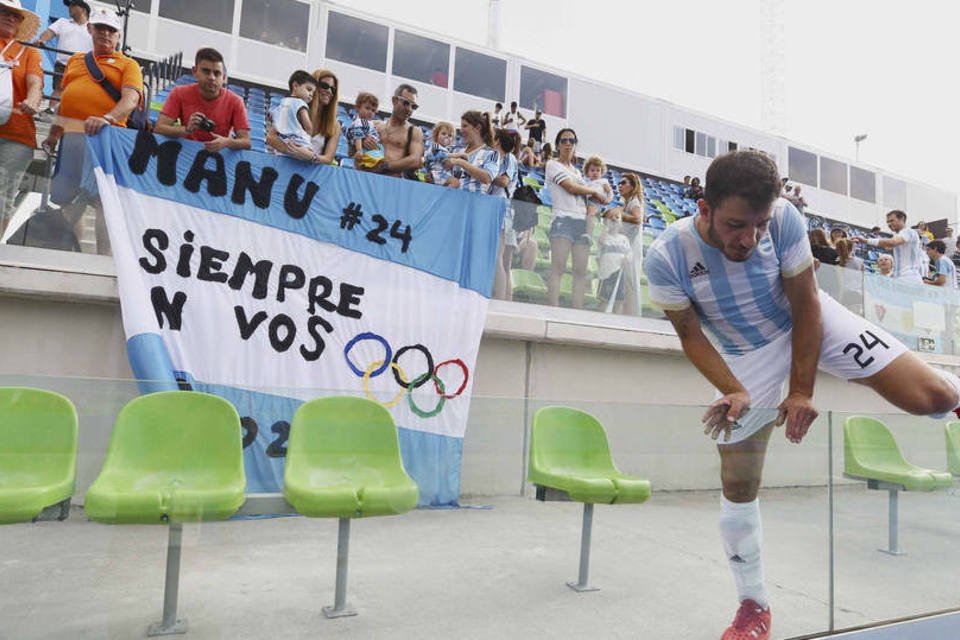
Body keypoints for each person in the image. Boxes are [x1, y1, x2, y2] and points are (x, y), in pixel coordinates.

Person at [643, 150, 960, 640]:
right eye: (734, 225)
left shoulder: (786, 218)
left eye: (759, 226)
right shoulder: (665, 256)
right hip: (744, 355)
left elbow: (806, 303)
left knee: (935, 396)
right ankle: (754, 607)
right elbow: (690, 335)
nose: (748, 239)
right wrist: (733, 388)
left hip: (810, 320)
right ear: (703, 210)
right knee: (738, 482)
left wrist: (802, 390)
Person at [43, 7, 142, 255]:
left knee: (103, 204)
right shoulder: (76, 60)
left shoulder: (129, 65)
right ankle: (69, 252)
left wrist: (107, 118)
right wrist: (53, 135)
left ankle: (103, 260)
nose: (105, 34)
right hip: (72, 138)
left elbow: (130, 100)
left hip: (105, 141)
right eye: (100, 28)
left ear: (118, 35)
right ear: (90, 29)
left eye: (111, 30)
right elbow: (66, 100)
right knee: (65, 199)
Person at [544, 128, 606, 308]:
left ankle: (576, 312)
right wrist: (594, 191)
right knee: (558, 267)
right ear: (558, 144)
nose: (568, 143)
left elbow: (586, 196)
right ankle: (553, 310)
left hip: (580, 222)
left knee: (580, 272)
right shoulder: (552, 164)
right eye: (564, 140)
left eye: (572, 140)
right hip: (563, 219)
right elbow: (570, 187)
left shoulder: (578, 172)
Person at [153, 47, 250, 151]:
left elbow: (246, 142)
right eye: (206, 71)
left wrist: (227, 142)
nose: (212, 77)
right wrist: (186, 130)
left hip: (218, 156)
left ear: (224, 77)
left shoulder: (235, 101)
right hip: (185, 153)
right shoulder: (179, 93)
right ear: (195, 71)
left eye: (217, 73)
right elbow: (159, 128)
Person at [0, 0, 42, 236]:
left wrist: (33, 101)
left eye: (15, 16)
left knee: (2, 195)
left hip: (16, 135)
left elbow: (35, 83)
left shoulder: (29, 53)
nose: (10, 18)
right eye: (4, 12)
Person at [267, 68, 341, 165]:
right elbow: (271, 138)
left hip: (308, 175)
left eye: (333, 89)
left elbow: (328, 159)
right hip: (283, 166)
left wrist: (310, 156)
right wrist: (293, 151)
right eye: (325, 86)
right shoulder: (293, 107)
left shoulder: (334, 125)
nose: (329, 91)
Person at [35, 0, 90, 112]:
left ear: (83, 9)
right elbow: (49, 33)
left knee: (79, 93)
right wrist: (42, 40)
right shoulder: (62, 22)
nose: (69, 8)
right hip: (63, 63)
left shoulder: (93, 27)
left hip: (84, 66)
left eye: (72, 5)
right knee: (59, 87)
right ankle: (51, 111)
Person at [853, 210, 927, 283]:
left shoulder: (908, 231)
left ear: (902, 219)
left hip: (909, 278)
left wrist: (866, 240)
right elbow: (887, 246)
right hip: (902, 278)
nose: (889, 224)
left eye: (892, 221)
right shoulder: (899, 235)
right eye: (888, 222)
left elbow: (892, 242)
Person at [490, 128, 520, 301]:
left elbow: (504, 181)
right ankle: (505, 300)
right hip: (500, 208)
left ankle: (500, 301)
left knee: (498, 258)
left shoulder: (509, 158)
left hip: (502, 208)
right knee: (503, 262)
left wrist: (483, 174)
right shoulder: (500, 158)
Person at [370, 83, 424, 178]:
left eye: (414, 107)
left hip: (393, 183)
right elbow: (352, 151)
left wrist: (385, 167)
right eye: (406, 103)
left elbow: (416, 160)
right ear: (394, 100)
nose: (409, 109)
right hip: (367, 179)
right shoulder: (375, 125)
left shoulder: (414, 131)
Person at [444, 109, 497, 193]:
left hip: (474, 203)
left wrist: (460, 162)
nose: (461, 130)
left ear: (477, 128)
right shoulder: (456, 149)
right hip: (453, 200)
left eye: (465, 126)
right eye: (461, 126)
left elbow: (487, 178)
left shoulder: (491, 153)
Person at [596, 208, 637, 315]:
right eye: (610, 217)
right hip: (606, 273)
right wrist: (607, 227)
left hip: (619, 272)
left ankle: (616, 320)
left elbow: (629, 253)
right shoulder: (605, 236)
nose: (613, 219)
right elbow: (601, 241)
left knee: (619, 301)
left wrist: (627, 258)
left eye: (617, 217)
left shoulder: (623, 239)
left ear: (621, 223)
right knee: (604, 300)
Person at [267, 69, 316, 155]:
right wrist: (310, 132)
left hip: (283, 142)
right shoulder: (300, 103)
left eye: (313, 92)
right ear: (295, 85)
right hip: (300, 143)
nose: (311, 94)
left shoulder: (282, 102)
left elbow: (273, 117)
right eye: (309, 89)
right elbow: (308, 126)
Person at [346, 91, 384, 169]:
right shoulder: (359, 122)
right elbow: (358, 136)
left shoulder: (369, 123)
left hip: (373, 151)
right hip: (364, 154)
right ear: (357, 107)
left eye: (373, 110)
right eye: (367, 108)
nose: (370, 112)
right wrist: (359, 150)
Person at [582, 155, 613, 242]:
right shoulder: (586, 184)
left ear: (601, 171)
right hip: (586, 203)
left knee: (590, 216)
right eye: (592, 170)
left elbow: (610, 192)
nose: (595, 172)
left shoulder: (603, 181)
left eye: (598, 170)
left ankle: (588, 235)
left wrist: (608, 199)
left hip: (595, 203)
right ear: (587, 172)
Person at [423, 120, 455, 187]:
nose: (447, 136)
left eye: (450, 135)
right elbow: (441, 155)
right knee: (456, 183)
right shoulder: (436, 146)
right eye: (443, 134)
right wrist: (458, 156)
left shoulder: (446, 149)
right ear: (436, 135)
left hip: (442, 175)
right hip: (437, 173)